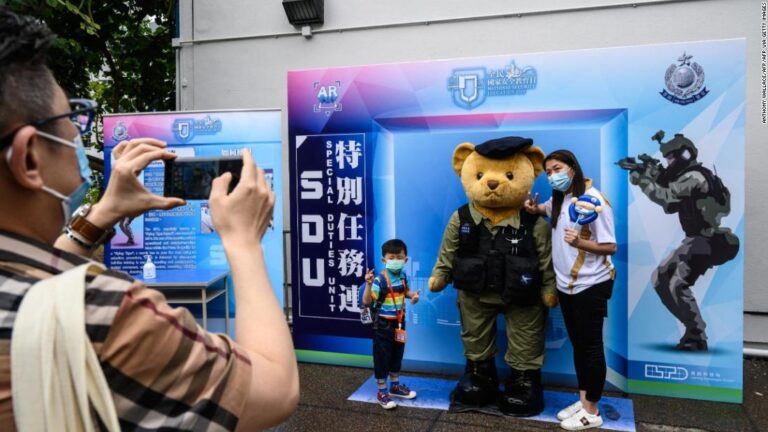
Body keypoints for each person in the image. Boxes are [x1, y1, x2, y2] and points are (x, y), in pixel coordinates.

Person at [0, 8, 298, 430]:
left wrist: (100, 216)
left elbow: (32, 277)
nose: (77, 134)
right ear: (29, 156)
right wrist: (244, 242)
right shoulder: (101, 314)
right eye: (71, 119)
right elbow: (275, 389)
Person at [525, 149, 616, 431]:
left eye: (557, 169)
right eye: (548, 172)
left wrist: (580, 244)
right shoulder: (563, 198)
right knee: (579, 346)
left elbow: (610, 246)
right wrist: (535, 209)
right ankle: (583, 399)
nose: (553, 175)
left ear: (572, 168)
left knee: (591, 347)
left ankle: (593, 410)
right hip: (567, 285)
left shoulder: (594, 201)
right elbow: (553, 210)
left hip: (591, 284)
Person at [625, 132, 739, 351]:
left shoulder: (695, 176)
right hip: (698, 239)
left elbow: (668, 200)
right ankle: (693, 328)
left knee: (677, 283)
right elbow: (668, 185)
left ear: (685, 155)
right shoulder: (690, 175)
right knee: (660, 278)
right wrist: (645, 171)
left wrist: (643, 178)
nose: (668, 163)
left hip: (708, 238)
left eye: (672, 158)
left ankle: (697, 336)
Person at [362, 239, 420, 410]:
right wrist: (368, 284)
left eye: (399, 257)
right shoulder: (380, 280)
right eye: (392, 257)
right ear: (384, 260)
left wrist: (413, 296)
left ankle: (395, 386)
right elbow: (366, 301)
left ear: (405, 260)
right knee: (382, 356)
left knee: (397, 353)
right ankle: (381, 391)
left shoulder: (403, 277)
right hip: (383, 325)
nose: (396, 260)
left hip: (399, 322)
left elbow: (405, 292)